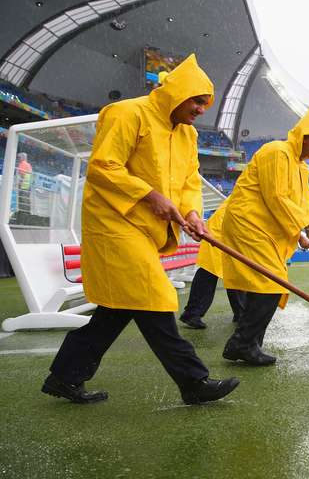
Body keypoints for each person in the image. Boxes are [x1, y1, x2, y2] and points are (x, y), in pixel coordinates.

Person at [42, 55, 239, 405]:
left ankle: (65, 376)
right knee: (155, 296)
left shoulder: (188, 134)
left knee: (118, 308)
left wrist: (192, 212)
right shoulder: (127, 113)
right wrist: (149, 196)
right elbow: (104, 167)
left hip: (145, 229)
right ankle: (194, 381)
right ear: (176, 93)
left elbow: (190, 179)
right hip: (114, 223)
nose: (200, 110)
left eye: (205, 103)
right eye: (196, 100)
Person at [219, 109, 309, 366]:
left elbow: (307, 202)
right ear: (305, 137)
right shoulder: (277, 152)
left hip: (265, 228)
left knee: (267, 285)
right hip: (248, 224)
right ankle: (242, 343)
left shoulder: (300, 167)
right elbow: (278, 196)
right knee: (273, 283)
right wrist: (307, 226)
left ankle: (249, 344)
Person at [179, 197, 245, 329]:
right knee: (210, 273)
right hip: (220, 235)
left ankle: (241, 313)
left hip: (227, 234)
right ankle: (192, 314)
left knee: (233, 275)